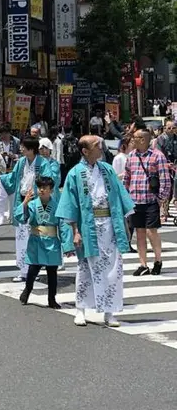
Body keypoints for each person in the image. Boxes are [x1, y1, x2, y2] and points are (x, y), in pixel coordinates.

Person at [57, 135, 134, 327]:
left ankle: (110, 312)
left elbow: (119, 198)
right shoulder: (75, 173)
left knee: (113, 269)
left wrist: (124, 225)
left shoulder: (107, 169)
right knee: (85, 270)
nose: (101, 148)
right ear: (85, 151)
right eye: (97, 145)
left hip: (110, 224)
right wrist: (75, 231)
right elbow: (70, 205)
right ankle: (80, 309)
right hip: (88, 226)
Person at [0, 137, 54, 282]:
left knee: (35, 237)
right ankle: (23, 270)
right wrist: (0, 177)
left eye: (23, 147)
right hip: (22, 202)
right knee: (21, 237)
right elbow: (13, 177)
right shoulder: (21, 162)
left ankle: (34, 269)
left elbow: (47, 181)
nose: (21, 149)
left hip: (36, 203)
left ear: (31, 149)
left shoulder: (43, 164)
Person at [15, 175, 74, 309]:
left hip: (52, 241)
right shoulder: (32, 204)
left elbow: (63, 226)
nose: (42, 190)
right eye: (40, 187)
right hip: (36, 240)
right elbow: (21, 218)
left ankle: (51, 298)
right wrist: (24, 203)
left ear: (51, 190)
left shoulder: (57, 206)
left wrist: (67, 246)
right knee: (32, 270)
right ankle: (27, 290)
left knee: (52, 272)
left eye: (45, 188)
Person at [124, 127, 171, 276]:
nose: (132, 140)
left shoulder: (157, 156)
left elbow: (165, 179)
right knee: (139, 232)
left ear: (143, 139)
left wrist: (161, 199)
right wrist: (126, 196)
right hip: (135, 201)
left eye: (135, 138)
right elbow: (127, 178)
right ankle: (142, 264)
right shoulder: (131, 156)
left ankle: (157, 260)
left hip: (151, 200)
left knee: (152, 232)